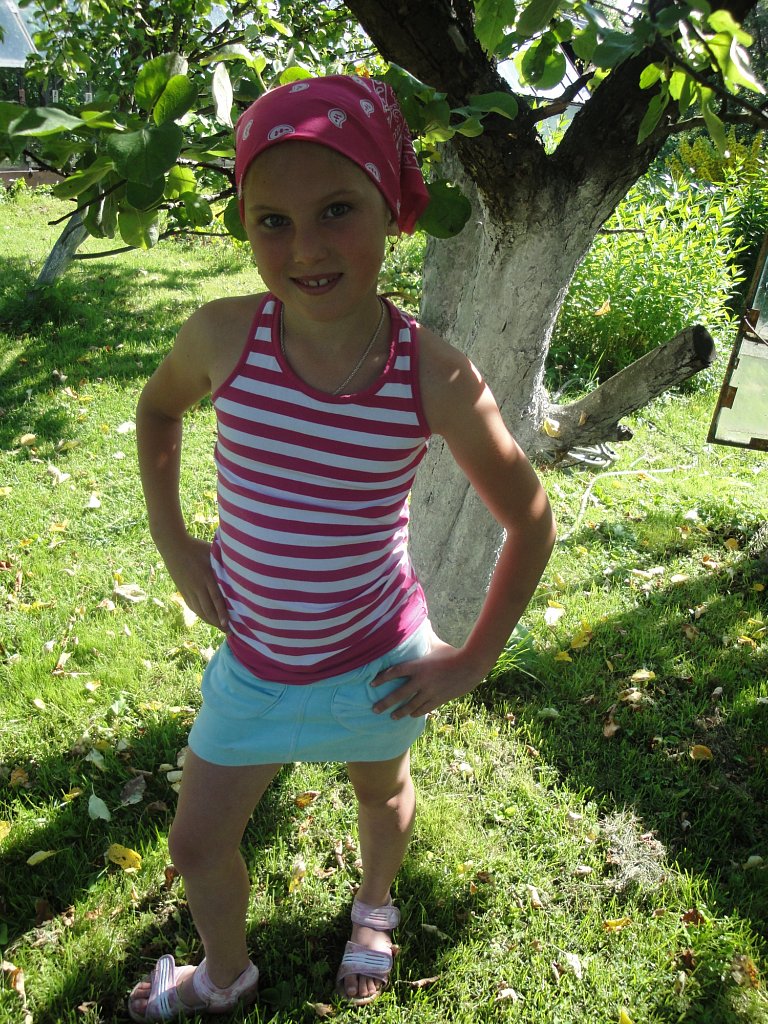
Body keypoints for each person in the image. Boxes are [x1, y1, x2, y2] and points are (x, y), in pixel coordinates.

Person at [128, 74, 556, 1021]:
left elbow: (531, 518)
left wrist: (472, 659)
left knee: (381, 788)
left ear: (392, 207)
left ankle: (374, 909)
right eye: (271, 222)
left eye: (336, 210)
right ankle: (225, 976)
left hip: (378, 660)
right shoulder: (222, 336)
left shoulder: (433, 374)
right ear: (244, 225)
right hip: (255, 663)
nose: (306, 248)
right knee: (196, 844)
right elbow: (158, 410)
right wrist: (175, 541)